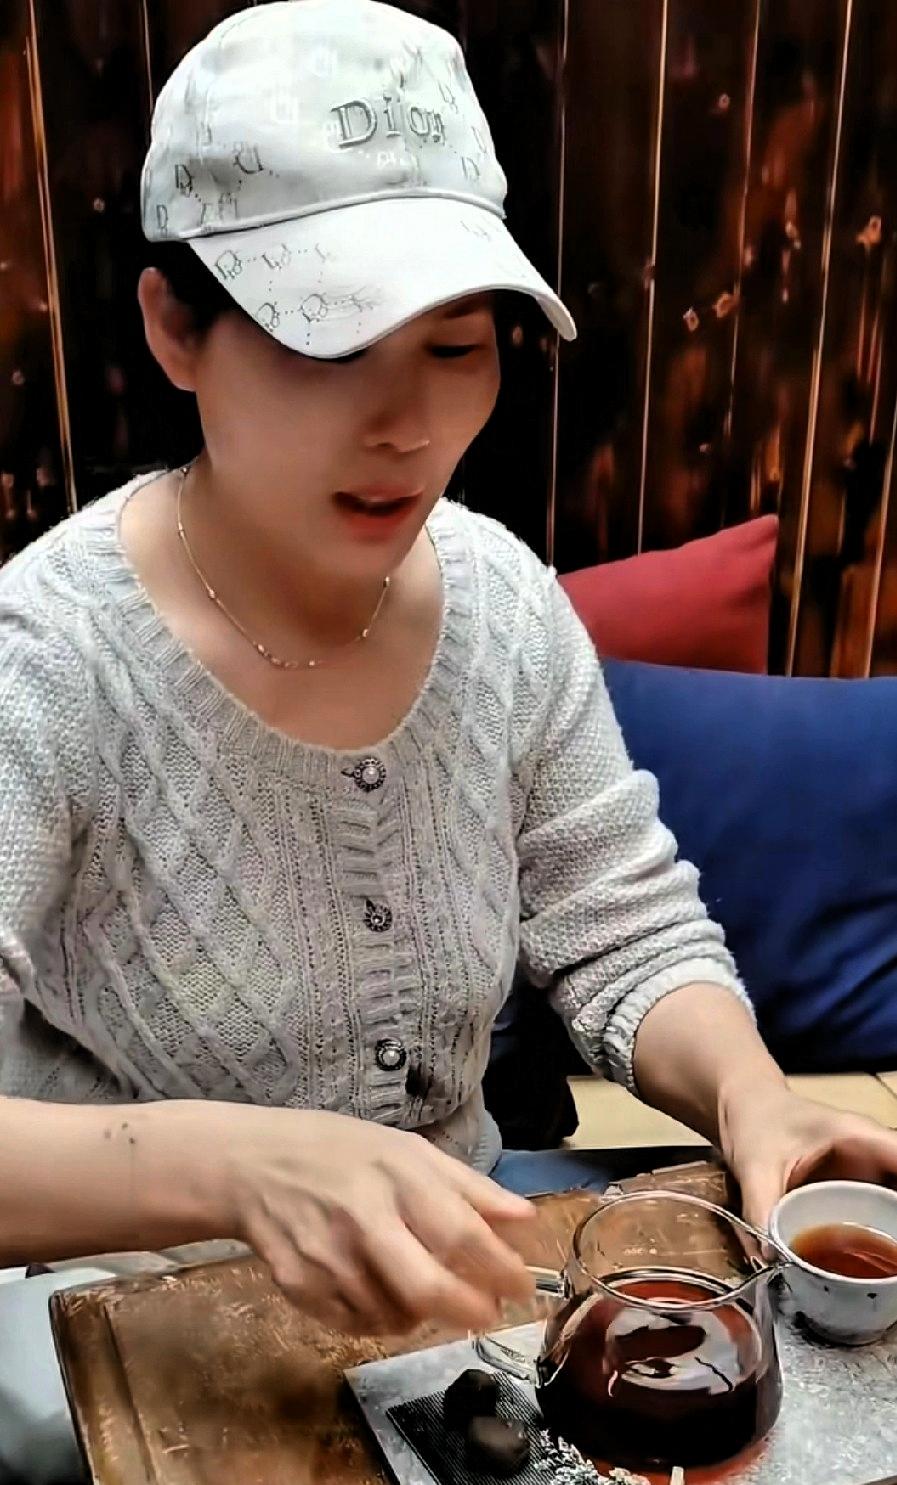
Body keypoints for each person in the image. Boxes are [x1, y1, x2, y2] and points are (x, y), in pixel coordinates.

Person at [2, 0, 897, 1352]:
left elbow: (620, 920)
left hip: (469, 1301)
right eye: (324, 345)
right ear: (174, 330)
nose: (404, 426)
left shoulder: (499, 603)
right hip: (140, 1344)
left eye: (454, 347)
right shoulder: (47, 664)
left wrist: (750, 1094)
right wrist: (236, 1170)